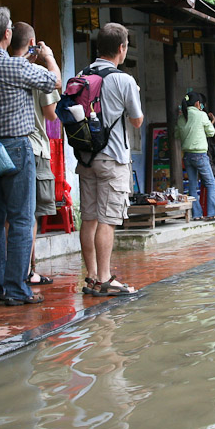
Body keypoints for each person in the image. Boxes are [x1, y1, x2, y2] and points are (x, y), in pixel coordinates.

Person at [0, 6, 60, 306]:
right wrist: (48, 59)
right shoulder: (14, 67)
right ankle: (17, 289)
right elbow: (54, 82)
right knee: (20, 219)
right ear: (7, 34)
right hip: (16, 148)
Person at [76, 23, 143, 297]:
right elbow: (137, 121)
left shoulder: (81, 75)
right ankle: (105, 279)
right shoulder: (124, 80)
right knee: (107, 220)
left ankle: (91, 276)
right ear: (121, 48)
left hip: (85, 158)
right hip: (112, 159)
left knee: (89, 217)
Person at [9, 21, 58, 286]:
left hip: (5, 148)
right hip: (34, 148)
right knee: (30, 215)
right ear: (32, 45)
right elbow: (51, 114)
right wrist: (48, 57)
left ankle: (9, 269)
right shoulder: (36, 72)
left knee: (8, 215)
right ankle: (27, 270)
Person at [176, 91, 215, 221]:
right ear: (198, 103)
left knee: (192, 185)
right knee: (211, 183)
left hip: (187, 156)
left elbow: (176, 135)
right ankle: (213, 212)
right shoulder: (201, 115)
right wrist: (211, 122)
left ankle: (196, 214)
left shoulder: (181, 117)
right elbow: (211, 132)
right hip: (200, 155)